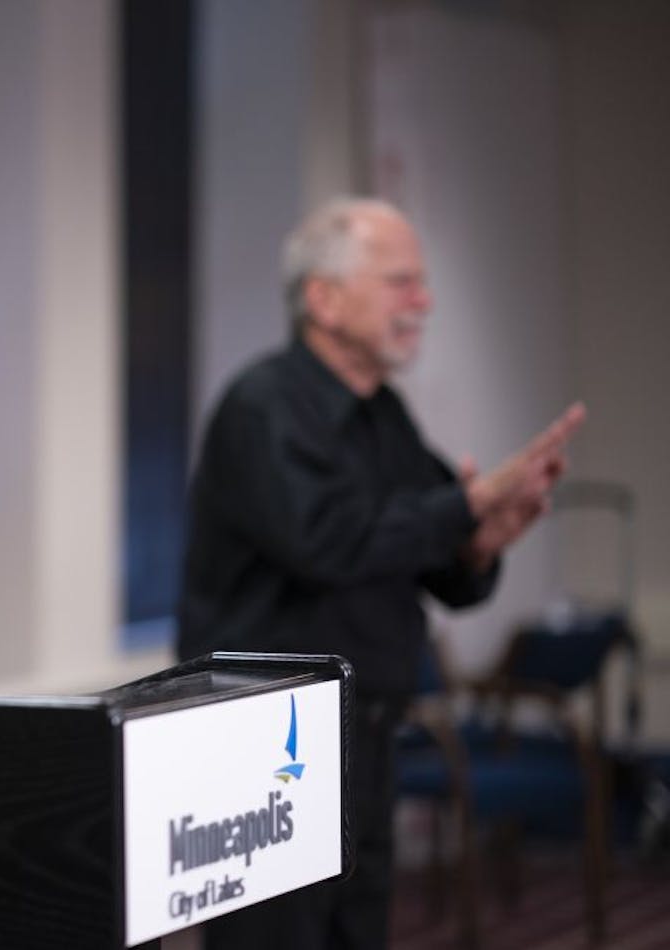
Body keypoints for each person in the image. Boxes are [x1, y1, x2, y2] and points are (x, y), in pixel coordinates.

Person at [177, 197, 584, 950]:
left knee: (356, 933)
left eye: (421, 284)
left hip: (366, 734)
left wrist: (481, 538)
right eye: (401, 282)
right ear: (324, 300)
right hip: (263, 749)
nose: (423, 302)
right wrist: (465, 506)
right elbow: (327, 544)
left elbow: (442, 570)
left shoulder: (385, 416)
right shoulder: (261, 407)